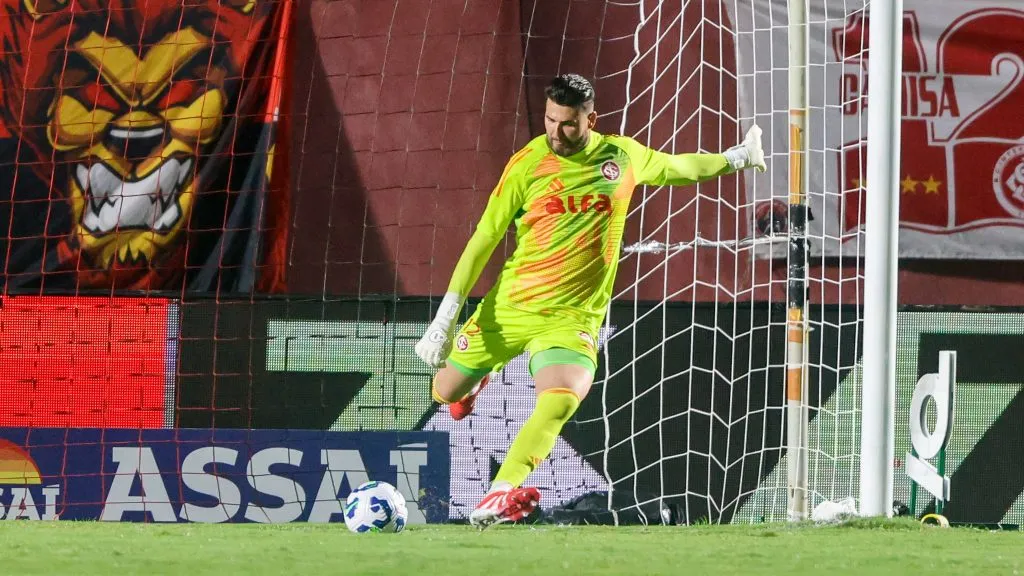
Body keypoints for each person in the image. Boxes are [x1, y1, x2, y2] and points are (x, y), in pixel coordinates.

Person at [415, 73, 766, 528]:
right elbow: (484, 238)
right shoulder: (527, 164)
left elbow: (680, 169)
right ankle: (471, 385)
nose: (557, 132)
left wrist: (737, 157)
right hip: (510, 309)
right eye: (550, 120)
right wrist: (445, 320)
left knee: (561, 398)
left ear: (590, 118)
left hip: (573, 318)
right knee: (445, 391)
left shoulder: (621, 156)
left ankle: (500, 492)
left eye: (568, 123)